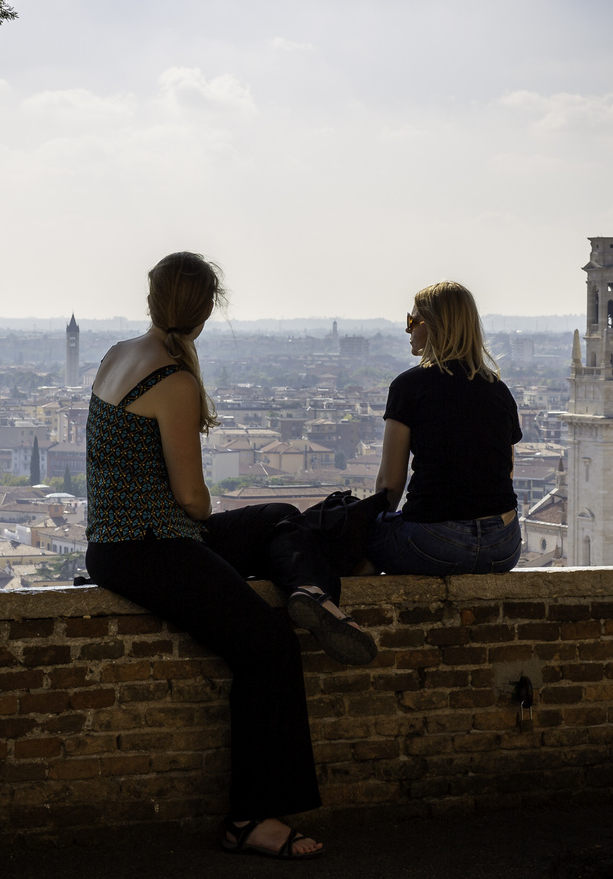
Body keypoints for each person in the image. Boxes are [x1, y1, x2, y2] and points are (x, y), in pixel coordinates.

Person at [84, 251, 375, 860]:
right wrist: (198, 516)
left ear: (153, 298)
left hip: (123, 542)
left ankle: (310, 593)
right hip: (150, 546)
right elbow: (192, 500)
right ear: (206, 311)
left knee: (280, 517)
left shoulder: (118, 356)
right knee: (268, 648)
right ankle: (248, 820)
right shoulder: (174, 380)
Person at [366, 281, 523, 576]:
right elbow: (507, 471)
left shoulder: (408, 386)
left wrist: (377, 528)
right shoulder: (499, 390)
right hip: (504, 548)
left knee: (352, 536)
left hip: (434, 544)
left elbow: (390, 482)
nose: (408, 329)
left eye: (412, 321)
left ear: (434, 325)